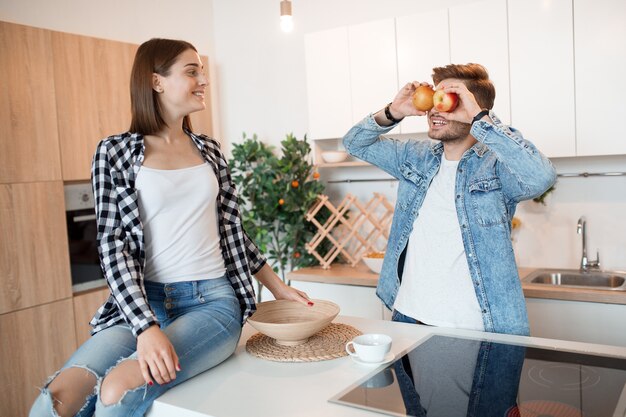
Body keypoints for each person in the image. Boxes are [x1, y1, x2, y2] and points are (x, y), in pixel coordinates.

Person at [30, 38, 311, 417]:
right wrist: (146, 327)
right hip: (142, 304)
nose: (203, 80)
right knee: (55, 401)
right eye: (191, 71)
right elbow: (113, 247)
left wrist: (278, 288)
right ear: (156, 81)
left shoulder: (210, 151)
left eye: (202, 72)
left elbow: (232, 233)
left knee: (118, 392)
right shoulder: (113, 152)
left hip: (212, 304)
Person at [343, 63, 556, 336]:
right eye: (435, 99)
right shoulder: (415, 157)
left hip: (473, 327)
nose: (435, 108)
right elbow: (354, 143)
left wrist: (482, 120)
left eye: (450, 100)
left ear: (473, 108)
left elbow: (540, 177)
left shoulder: (496, 167)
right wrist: (393, 112)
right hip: (407, 318)